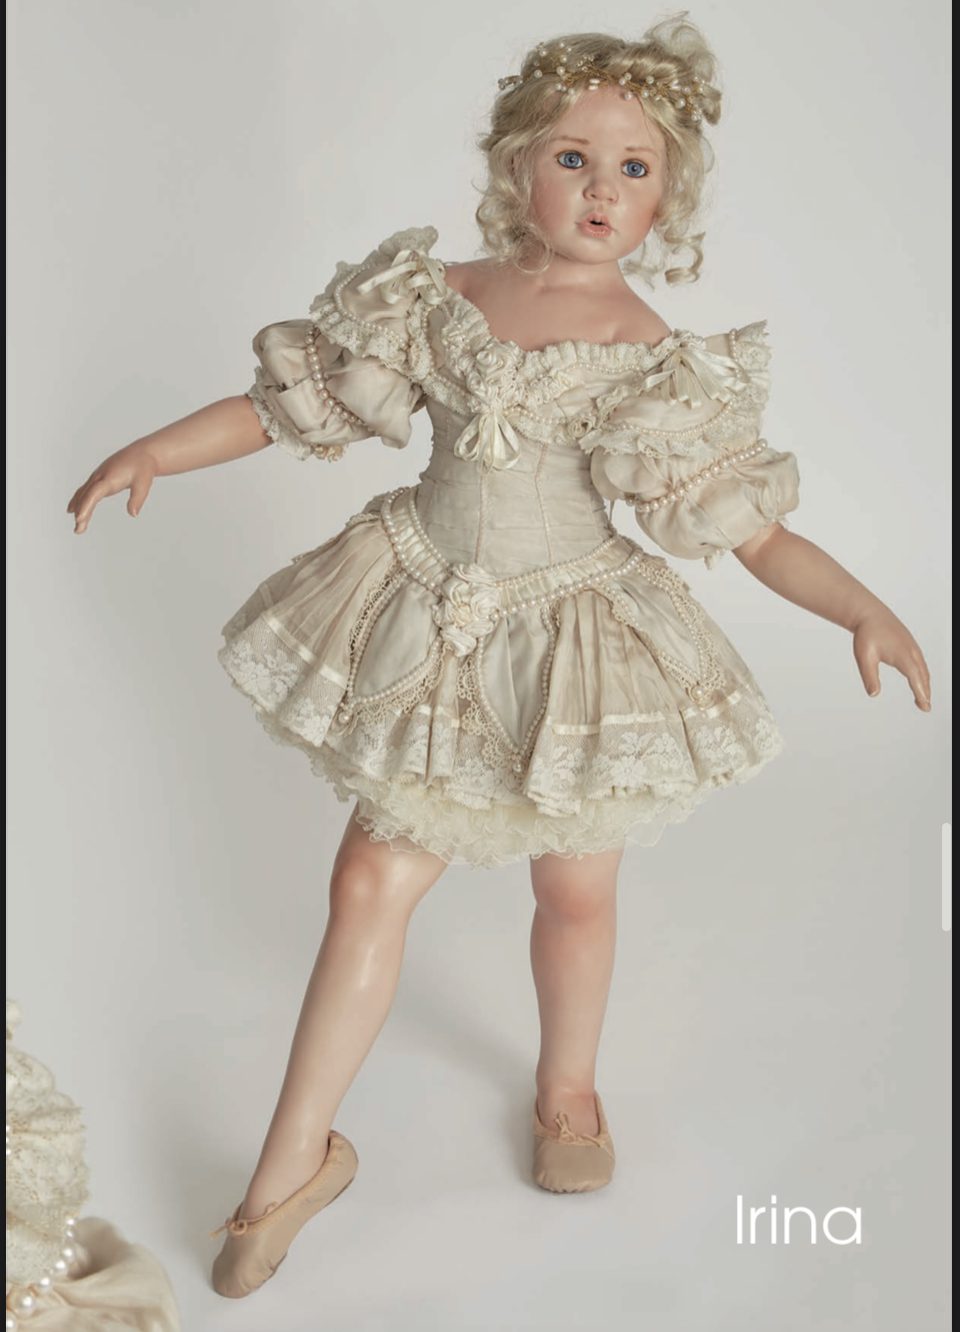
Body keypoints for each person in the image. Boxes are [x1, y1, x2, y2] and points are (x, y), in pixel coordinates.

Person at [65, 16, 931, 1302]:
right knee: (369, 879)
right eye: (573, 157)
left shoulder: (649, 356)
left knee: (575, 891)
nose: (601, 190)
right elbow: (294, 403)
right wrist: (158, 449)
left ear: (670, 196)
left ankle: (568, 1086)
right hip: (425, 616)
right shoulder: (442, 299)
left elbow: (748, 528)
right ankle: (289, 1163)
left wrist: (861, 605)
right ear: (517, 164)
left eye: (634, 168)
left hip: (571, 646)